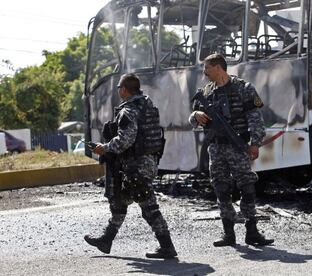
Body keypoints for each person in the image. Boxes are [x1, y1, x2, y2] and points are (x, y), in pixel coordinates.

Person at [84, 73, 177, 259]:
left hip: (137, 166)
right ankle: (106, 239)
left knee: (148, 206)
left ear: (124, 89)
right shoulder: (146, 105)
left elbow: (126, 139)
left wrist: (105, 148)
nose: (118, 90)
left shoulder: (129, 110)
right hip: (145, 163)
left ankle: (167, 246)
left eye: (119, 87)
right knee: (120, 201)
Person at [189, 53, 274, 247]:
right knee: (221, 188)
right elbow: (192, 120)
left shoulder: (243, 88)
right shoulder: (206, 92)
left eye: (207, 68)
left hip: (237, 147)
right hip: (216, 148)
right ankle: (228, 234)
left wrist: (255, 143)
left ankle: (252, 231)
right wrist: (196, 115)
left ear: (218, 67)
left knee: (247, 186)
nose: (204, 72)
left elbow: (255, 119)